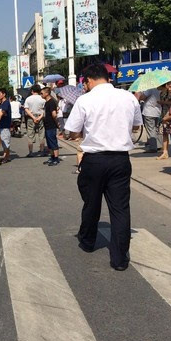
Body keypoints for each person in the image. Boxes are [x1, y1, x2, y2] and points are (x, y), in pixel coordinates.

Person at [65, 64, 142, 271]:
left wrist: (83, 134)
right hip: (120, 160)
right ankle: (119, 259)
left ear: (88, 80)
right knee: (120, 208)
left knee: (92, 203)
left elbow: (72, 132)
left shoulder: (85, 100)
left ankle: (88, 241)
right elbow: (136, 126)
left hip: (94, 160)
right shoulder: (128, 97)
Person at [137, 87, 162, 153]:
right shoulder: (161, 90)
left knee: (151, 130)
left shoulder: (150, 89)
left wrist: (141, 93)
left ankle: (153, 147)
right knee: (156, 129)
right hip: (157, 111)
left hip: (149, 112)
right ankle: (158, 145)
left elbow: (142, 97)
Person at [23, 84, 46, 157]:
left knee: (30, 135)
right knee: (41, 134)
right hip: (40, 117)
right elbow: (44, 110)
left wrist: (33, 117)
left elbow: (26, 109)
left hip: (30, 118)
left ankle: (30, 152)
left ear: (32, 91)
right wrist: (39, 118)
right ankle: (42, 151)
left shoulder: (28, 99)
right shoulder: (42, 99)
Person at [41, 87, 60, 166]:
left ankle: (56, 159)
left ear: (47, 93)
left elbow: (54, 114)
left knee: (53, 142)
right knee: (49, 143)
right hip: (47, 125)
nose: (41, 95)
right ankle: (52, 157)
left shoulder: (51, 102)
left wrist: (57, 123)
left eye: (42, 93)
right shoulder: (46, 102)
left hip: (51, 125)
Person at [0, 88, 12, 164]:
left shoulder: (6, 103)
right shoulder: (1, 103)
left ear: (4, 94)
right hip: (1, 125)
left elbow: (2, 113)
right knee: (3, 142)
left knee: (5, 142)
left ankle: (6, 157)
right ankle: (6, 156)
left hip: (4, 125)